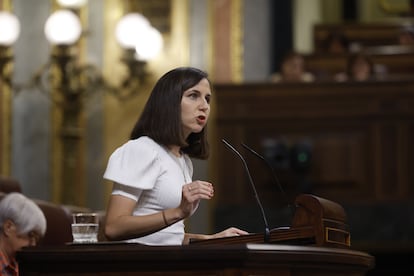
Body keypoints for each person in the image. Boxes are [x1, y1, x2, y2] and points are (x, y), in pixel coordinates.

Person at [103, 67, 248, 245]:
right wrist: (179, 212)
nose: (204, 106)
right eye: (193, 96)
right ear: (169, 102)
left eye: (207, 99)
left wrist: (211, 239)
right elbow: (113, 227)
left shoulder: (183, 160)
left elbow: (169, 237)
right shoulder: (142, 150)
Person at [0, 192, 47, 276]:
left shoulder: (19, 266)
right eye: (30, 235)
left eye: (36, 239)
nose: (33, 245)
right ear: (8, 227)